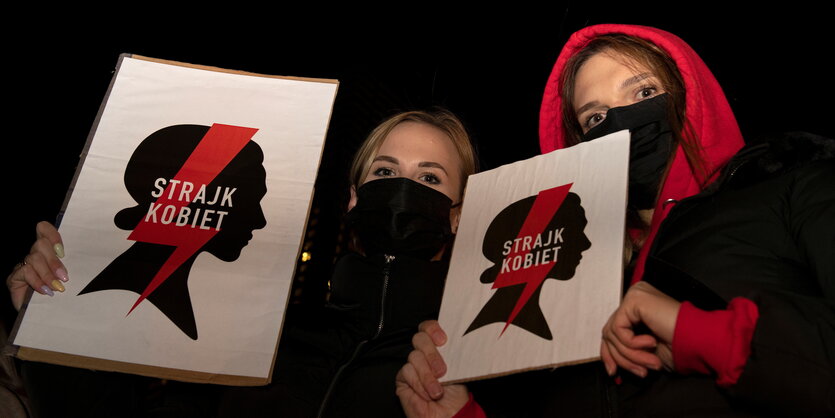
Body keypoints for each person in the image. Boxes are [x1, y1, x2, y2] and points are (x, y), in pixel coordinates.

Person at [396, 24, 834, 417]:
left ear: (692, 93)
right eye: (596, 118)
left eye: (643, 93)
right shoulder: (567, 274)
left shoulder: (791, 188)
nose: (620, 123)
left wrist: (701, 335)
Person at [8, 109, 478, 417]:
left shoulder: (468, 365)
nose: (402, 190)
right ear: (354, 198)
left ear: (457, 215)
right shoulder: (260, 335)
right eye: (385, 172)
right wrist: (54, 320)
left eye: (430, 178)